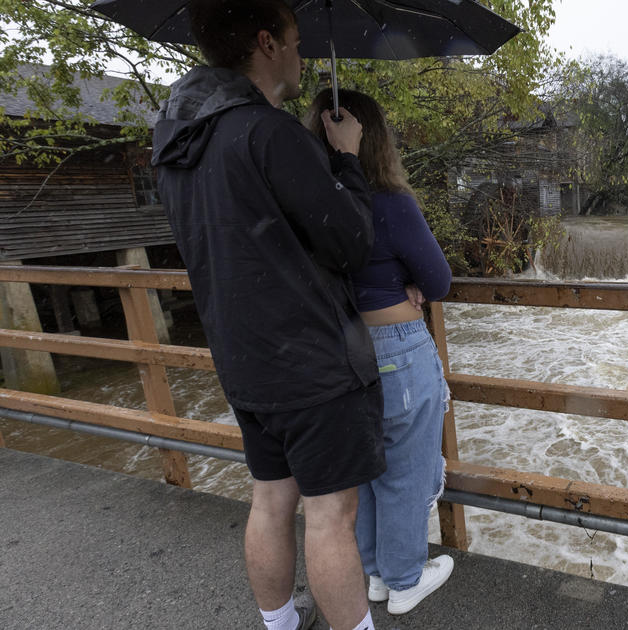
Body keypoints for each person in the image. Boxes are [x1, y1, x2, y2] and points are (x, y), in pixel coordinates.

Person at [151, 2, 384, 629]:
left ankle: (278, 624)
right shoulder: (268, 132)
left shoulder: (178, 142)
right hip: (311, 362)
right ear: (265, 43)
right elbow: (351, 242)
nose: (303, 56)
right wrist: (345, 160)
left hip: (243, 361)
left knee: (272, 500)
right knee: (332, 515)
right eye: (296, 42)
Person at [304, 88, 455, 616]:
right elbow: (438, 280)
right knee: (406, 474)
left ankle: (374, 574)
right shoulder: (389, 204)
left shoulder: (306, 207)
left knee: (367, 470)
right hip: (397, 345)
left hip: (341, 347)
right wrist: (410, 284)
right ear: (378, 140)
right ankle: (405, 579)